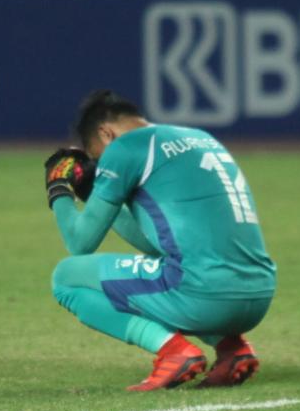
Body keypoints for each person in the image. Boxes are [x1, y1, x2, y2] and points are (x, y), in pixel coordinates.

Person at [45, 90, 277, 391]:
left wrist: (58, 189)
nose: (101, 169)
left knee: (65, 278)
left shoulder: (124, 148)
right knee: (172, 268)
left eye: (98, 160)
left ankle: (173, 351)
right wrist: (95, 195)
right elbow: (158, 245)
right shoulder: (199, 138)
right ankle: (231, 348)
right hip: (258, 294)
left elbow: (79, 244)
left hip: (206, 297)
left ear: (106, 134)